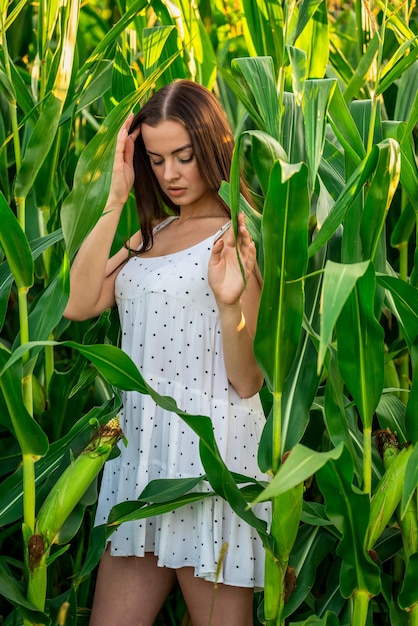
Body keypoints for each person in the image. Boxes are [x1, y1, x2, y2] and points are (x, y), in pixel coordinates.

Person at [64, 80, 270, 626]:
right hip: (141, 459)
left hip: (211, 463)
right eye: (156, 160)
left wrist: (231, 306)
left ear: (213, 148)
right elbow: (80, 302)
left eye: (184, 156)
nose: (171, 174)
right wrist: (114, 200)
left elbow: (248, 381)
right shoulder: (150, 235)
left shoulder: (239, 235)